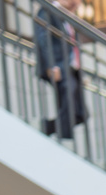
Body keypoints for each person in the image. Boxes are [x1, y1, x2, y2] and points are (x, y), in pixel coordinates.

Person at [34, 0, 88, 140]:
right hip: (58, 67)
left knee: (81, 114)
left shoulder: (67, 16)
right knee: (68, 97)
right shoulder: (47, 11)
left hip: (71, 68)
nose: (75, 2)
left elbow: (72, 46)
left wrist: (81, 72)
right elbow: (43, 39)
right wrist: (51, 65)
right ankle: (64, 137)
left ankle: (48, 127)